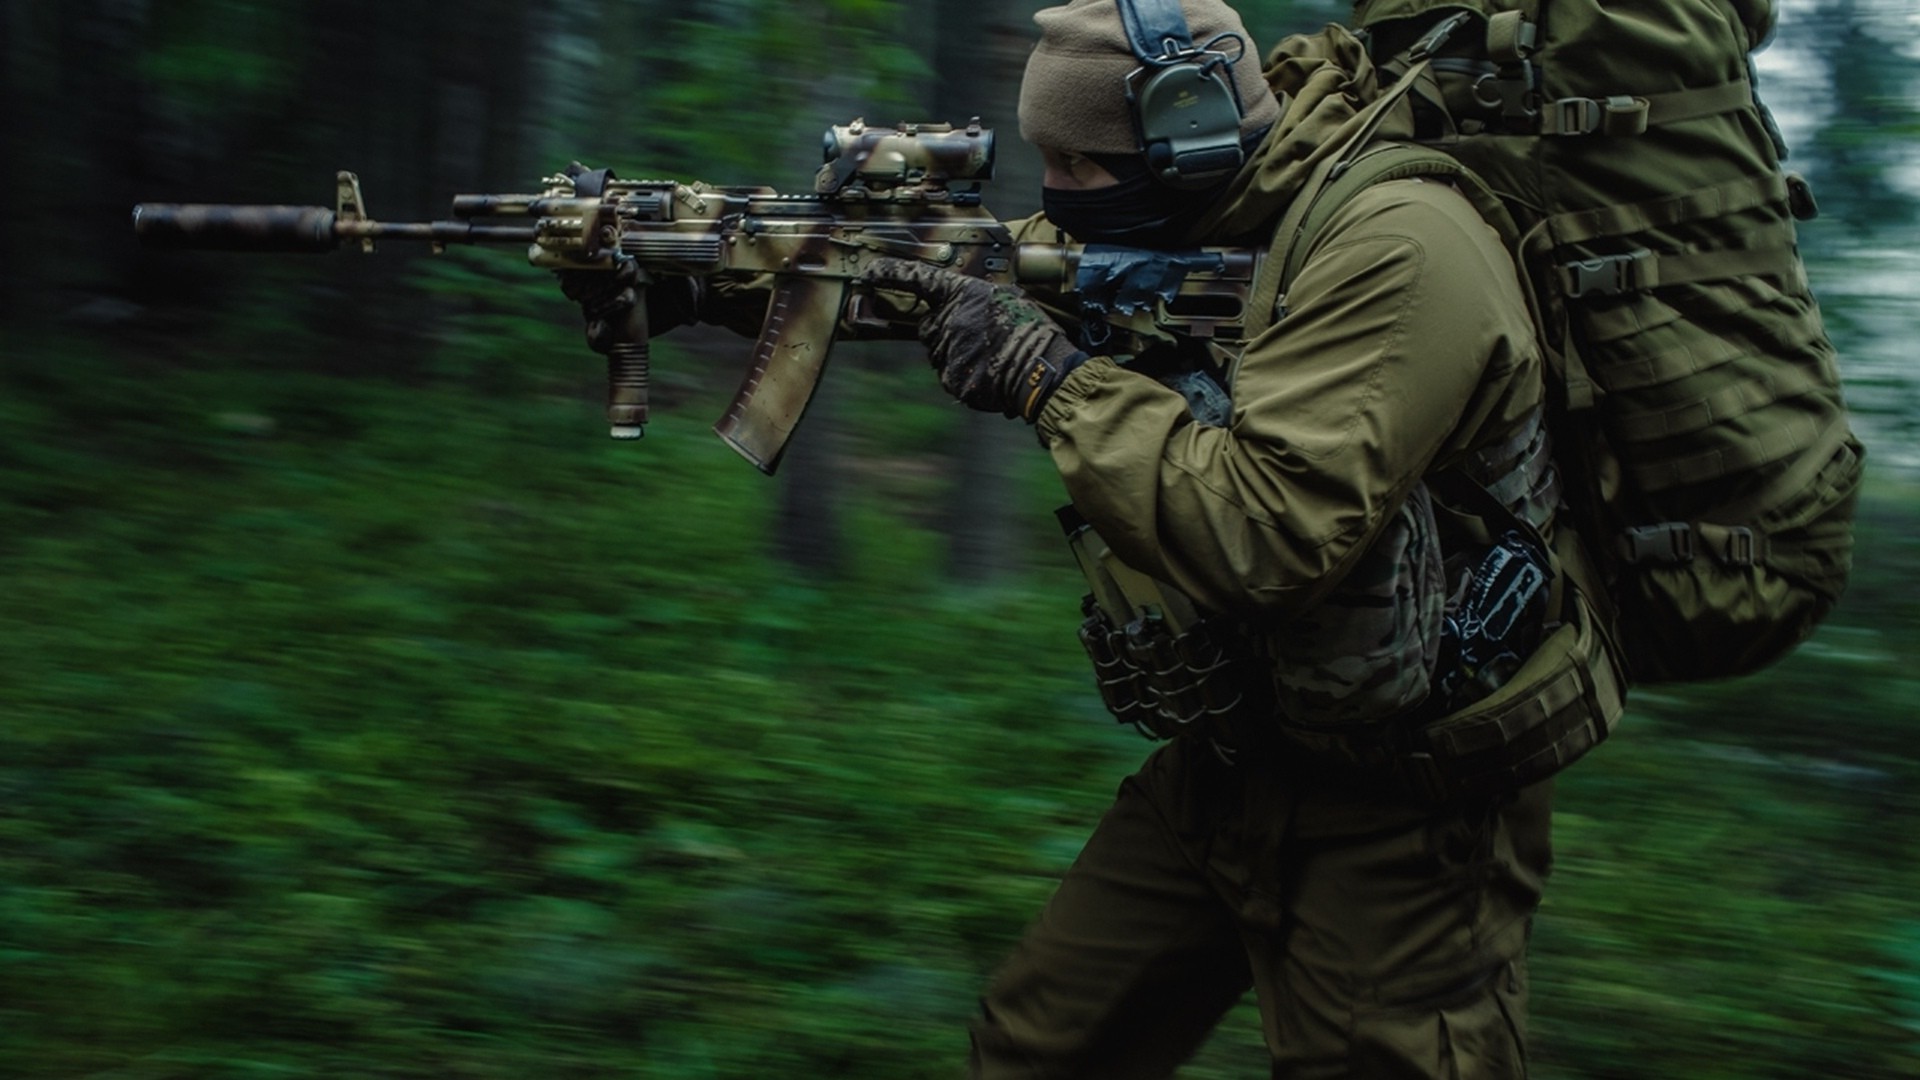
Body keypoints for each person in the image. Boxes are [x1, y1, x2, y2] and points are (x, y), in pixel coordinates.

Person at [565, 2, 1607, 1076]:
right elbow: (936, 277)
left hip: (1412, 805)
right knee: (1032, 1053)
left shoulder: (1400, 247)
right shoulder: (1204, 212)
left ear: (1187, 134)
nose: (1058, 197)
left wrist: (1048, 381)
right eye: (1046, 161)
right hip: (1243, 751)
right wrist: (698, 280)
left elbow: (1269, 529)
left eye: (1082, 164)